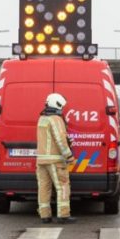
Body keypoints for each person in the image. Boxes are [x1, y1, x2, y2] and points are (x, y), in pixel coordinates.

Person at [36, 93, 76, 224]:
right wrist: (69, 156)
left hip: (41, 160)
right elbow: (60, 140)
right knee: (63, 186)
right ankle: (63, 215)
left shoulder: (42, 118)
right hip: (55, 160)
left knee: (44, 187)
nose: (62, 109)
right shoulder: (56, 119)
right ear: (57, 104)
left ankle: (45, 215)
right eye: (62, 106)